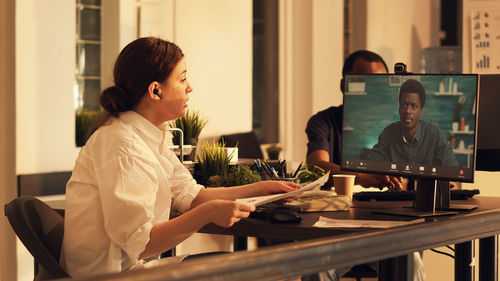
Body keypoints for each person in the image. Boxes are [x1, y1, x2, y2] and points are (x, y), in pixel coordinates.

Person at [60, 37, 300, 277]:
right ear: (155, 90)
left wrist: (260, 189)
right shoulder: (123, 144)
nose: (190, 87)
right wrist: (207, 214)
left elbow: (192, 195)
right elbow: (141, 244)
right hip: (111, 275)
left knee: (244, 267)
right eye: (182, 79)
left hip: (134, 269)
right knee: (248, 271)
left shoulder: (151, 136)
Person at [305, 50, 403, 190]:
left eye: (379, 84)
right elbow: (316, 166)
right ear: (343, 85)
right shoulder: (323, 121)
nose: (373, 92)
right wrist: (361, 177)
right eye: (365, 83)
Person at [366, 78, 459, 166]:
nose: (407, 111)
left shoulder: (434, 135)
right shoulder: (389, 132)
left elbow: (453, 169)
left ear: (421, 111)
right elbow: (370, 163)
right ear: (399, 108)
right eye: (404, 105)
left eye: (413, 106)